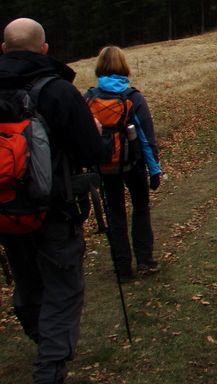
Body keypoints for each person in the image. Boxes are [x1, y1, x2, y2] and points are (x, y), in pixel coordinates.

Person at [0, 18, 109, 384]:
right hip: (52, 208)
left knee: (27, 282)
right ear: (44, 49)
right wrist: (99, 134)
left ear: (3, 49)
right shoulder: (56, 90)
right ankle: (50, 367)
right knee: (64, 287)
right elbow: (92, 152)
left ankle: (44, 340)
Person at [85, 46, 162, 281]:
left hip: (105, 168)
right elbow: (147, 138)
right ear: (123, 67)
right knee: (140, 208)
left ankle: (122, 269)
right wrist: (155, 170)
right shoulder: (133, 98)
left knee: (115, 214)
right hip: (133, 166)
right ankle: (145, 261)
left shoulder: (88, 98)